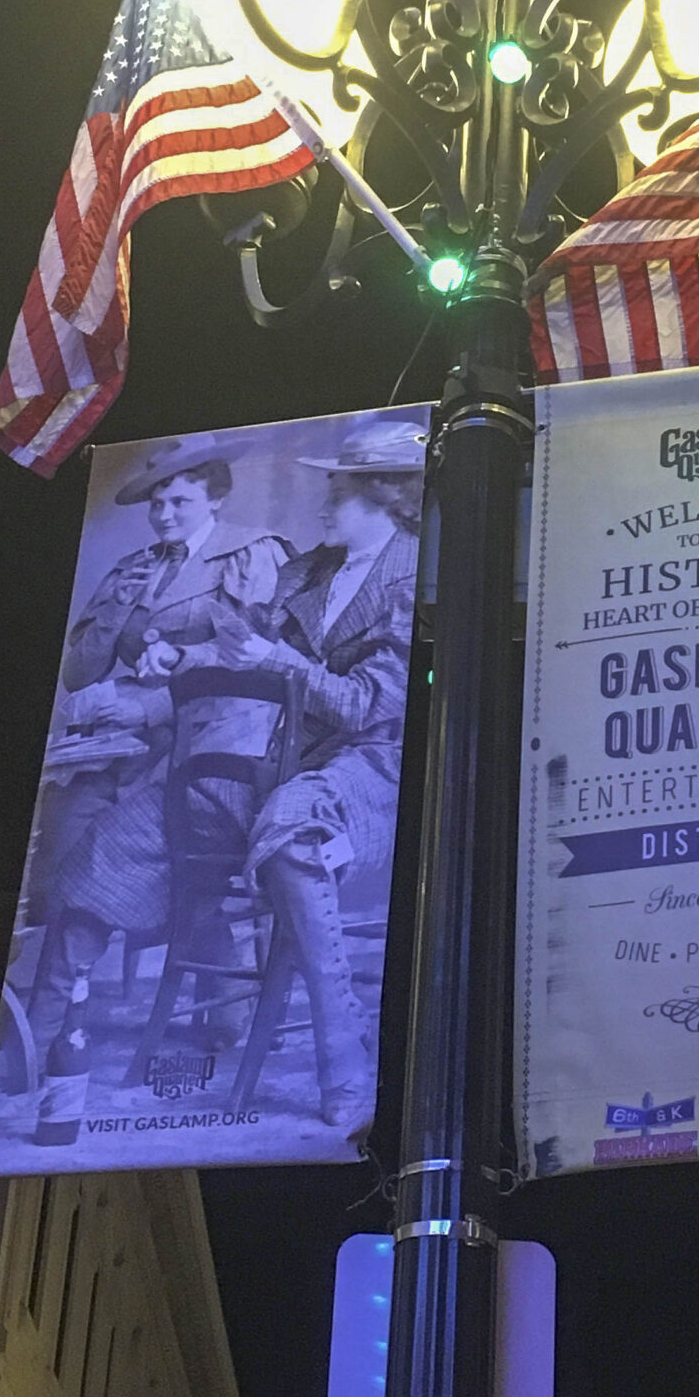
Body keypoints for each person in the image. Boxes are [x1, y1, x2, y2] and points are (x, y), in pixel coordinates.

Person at [195, 420, 425, 1128]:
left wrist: (274, 659)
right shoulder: (312, 570)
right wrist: (218, 628)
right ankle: (217, 1004)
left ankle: (341, 1047)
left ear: (385, 495)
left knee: (294, 830)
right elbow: (249, 638)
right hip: (290, 759)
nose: (325, 502)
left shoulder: (418, 575)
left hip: (377, 769)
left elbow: (365, 707)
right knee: (161, 814)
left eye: (340, 490)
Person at [22, 437, 285, 1057]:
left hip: (212, 736)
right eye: (157, 503)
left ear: (215, 498)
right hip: (121, 744)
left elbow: (258, 661)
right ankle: (57, 1016)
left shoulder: (250, 553)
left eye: (180, 501)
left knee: (153, 851)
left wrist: (155, 700)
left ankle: (58, 1017)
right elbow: (79, 673)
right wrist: (118, 606)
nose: (164, 514)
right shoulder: (133, 568)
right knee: (63, 833)